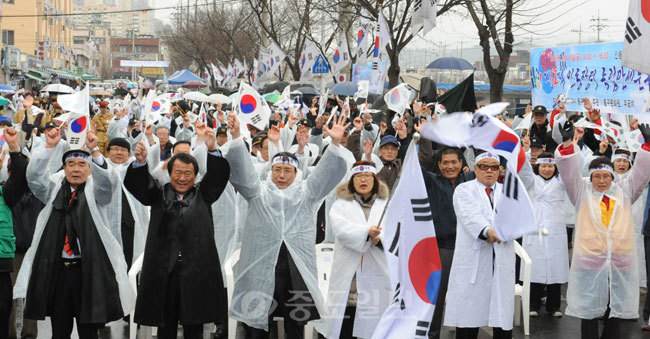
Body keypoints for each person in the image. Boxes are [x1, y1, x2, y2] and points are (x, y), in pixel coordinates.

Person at [224, 113, 349, 338]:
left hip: (295, 269)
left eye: (288, 170)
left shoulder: (306, 192)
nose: (282, 175)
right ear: (270, 172)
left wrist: (336, 144)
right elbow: (242, 172)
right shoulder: (258, 192)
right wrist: (235, 137)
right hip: (261, 266)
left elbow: (326, 174)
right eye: (277, 170)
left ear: (296, 173)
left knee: (295, 324)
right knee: (257, 323)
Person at [15, 127, 133, 339]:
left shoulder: (95, 191)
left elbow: (108, 184)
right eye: (71, 164)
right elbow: (33, 178)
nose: (76, 169)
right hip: (59, 273)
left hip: (88, 273)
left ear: (90, 170)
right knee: (60, 331)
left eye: (82, 165)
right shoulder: (53, 190)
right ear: (65, 168)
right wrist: (49, 147)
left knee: (89, 332)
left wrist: (94, 150)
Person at [124, 126, 230, 339]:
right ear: (169, 173)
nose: (182, 178)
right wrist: (141, 163)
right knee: (166, 323)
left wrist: (212, 150)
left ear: (195, 175)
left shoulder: (204, 195)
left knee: (195, 324)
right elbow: (139, 186)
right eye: (177, 173)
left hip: (196, 270)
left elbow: (218, 177)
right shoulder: (159, 195)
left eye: (188, 174)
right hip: (165, 270)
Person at [556, 122, 650, 339]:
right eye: (596, 176)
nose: (601, 180)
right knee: (589, 311)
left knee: (614, 311)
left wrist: (647, 146)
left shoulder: (624, 193)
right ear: (590, 178)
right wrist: (569, 144)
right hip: (590, 261)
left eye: (605, 176)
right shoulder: (582, 194)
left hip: (619, 261)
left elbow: (640, 174)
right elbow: (569, 174)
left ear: (612, 177)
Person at [444, 152, 515, 339]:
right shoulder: (464, 190)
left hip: (500, 257)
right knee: (469, 317)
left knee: (502, 316)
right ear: (475, 169)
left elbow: (515, 217)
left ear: (499, 170)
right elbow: (470, 216)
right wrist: (488, 231)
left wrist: (506, 231)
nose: (489, 171)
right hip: (473, 258)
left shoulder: (508, 191)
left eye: (494, 167)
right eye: (484, 166)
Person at [322, 160, 391, 339]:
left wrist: (380, 240)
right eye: (358, 176)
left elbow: (396, 232)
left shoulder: (386, 205)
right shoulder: (341, 205)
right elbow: (341, 229)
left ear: (374, 180)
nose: (363, 180)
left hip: (377, 273)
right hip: (349, 275)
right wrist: (366, 233)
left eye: (367, 176)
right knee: (346, 321)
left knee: (374, 320)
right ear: (351, 181)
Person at [421, 146, 476, 339]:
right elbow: (416, 166)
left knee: (467, 300)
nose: (450, 166)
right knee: (435, 300)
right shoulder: (432, 181)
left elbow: (492, 166)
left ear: (462, 164)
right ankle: (431, 335)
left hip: (469, 250)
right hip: (441, 250)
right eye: (445, 162)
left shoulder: (471, 181)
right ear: (439, 165)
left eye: (454, 162)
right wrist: (409, 138)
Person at [519, 152, 568, 318]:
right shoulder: (531, 181)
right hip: (535, 230)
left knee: (556, 269)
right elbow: (524, 170)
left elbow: (572, 170)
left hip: (556, 232)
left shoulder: (561, 182)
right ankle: (533, 304)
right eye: (543, 166)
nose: (547, 169)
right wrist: (524, 151)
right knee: (534, 268)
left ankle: (554, 306)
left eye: (550, 166)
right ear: (537, 166)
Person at [0, 128, 30, 339]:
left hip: (1, 264)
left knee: (2, 313)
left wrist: (13, 148)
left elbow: (20, 174)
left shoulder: (5, 194)